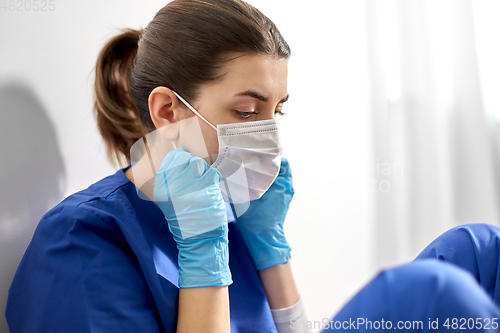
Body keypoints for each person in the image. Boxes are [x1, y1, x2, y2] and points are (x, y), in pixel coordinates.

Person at [5, 0, 500, 332]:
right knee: (432, 292)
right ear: (167, 112)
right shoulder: (79, 244)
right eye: (246, 111)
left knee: (480, 250)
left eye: (276, 110)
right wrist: (202, 252)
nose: (266, 133)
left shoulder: (229, 208)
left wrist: (272, 253)